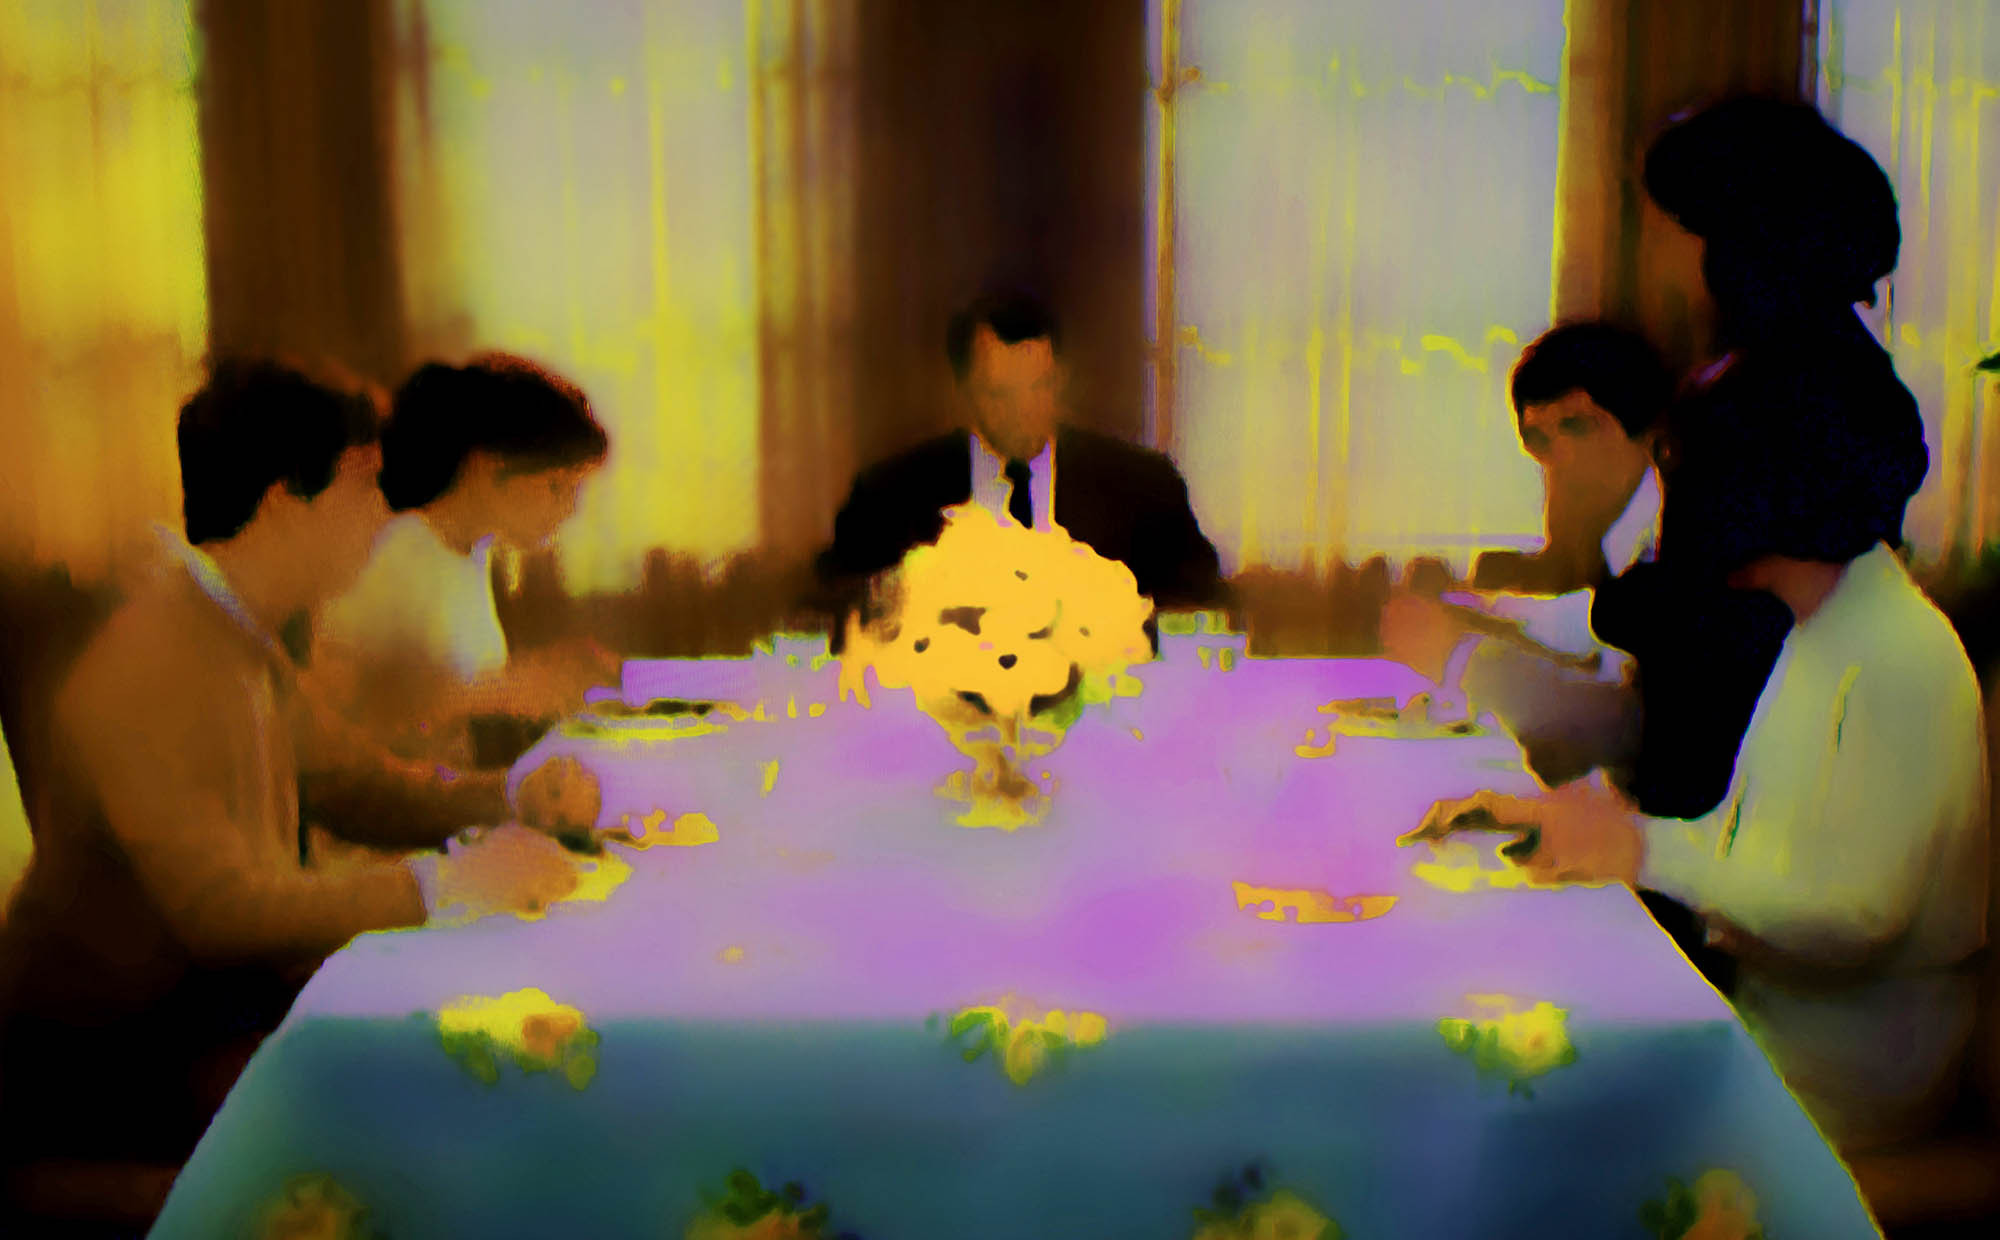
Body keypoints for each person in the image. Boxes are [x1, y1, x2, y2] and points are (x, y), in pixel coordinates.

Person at [0, 360, 588, 1169]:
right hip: (120, 1076)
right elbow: (220, 910)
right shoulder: (151, 652)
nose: (385, 513)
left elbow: (356, 783)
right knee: (487, 1100)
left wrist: (514, 796)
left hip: (219, 1024)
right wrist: (445, 884)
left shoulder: (237, 631)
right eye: (366, 485)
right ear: (286, 500)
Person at [1414, 382, 1983, 1156]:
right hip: (1775, 1017)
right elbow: (1742, 838)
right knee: (1507, 1034)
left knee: (1522, 1100)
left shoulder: (1899, 655)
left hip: (1850, 1067)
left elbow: (1858, 918)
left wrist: (1643, 851)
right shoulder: (1823, 627)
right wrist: (1583, 823)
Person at [814, 290, 1224, 643]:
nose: (1022, 413)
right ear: (963, 390)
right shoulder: (890, 494)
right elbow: (834, 600)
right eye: (1000, 395)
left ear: (1060, 378)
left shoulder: (1142, 488)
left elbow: (1201, 599)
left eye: (1039, 388)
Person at [310, 354, 619, 767]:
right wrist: (507, 690)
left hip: (449, 793)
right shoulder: (388, 554)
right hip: (392, 802)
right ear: (487, 466)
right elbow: (341, 724)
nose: (570, 510)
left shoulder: (473, 552)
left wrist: (546, 680)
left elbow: (453, 688)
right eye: (555, 487)